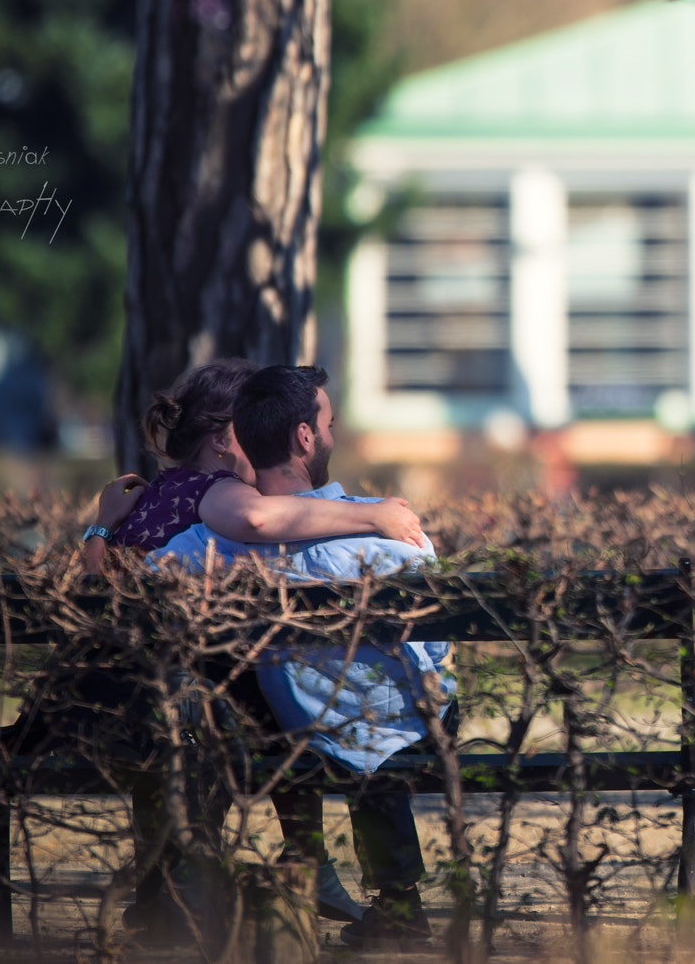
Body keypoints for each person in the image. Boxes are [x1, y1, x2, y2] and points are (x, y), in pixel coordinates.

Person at [151, 365, 445, 949]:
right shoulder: (394, 536)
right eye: (330, 422)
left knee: (342, 719)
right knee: (383, 720)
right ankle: (398, 901)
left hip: (290, 736)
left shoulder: (205, 545)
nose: (332, 432)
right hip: (398, 734)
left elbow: (144, 581)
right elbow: (432, 650)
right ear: (307, 438)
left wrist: (102, 530)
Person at [79, 359, 425, 578]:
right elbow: (256, 516)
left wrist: (103, 525)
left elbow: (92, 582)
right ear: (218, 441)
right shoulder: (214, 489)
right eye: (247, 425)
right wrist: (374, 516)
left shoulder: (161, 491)